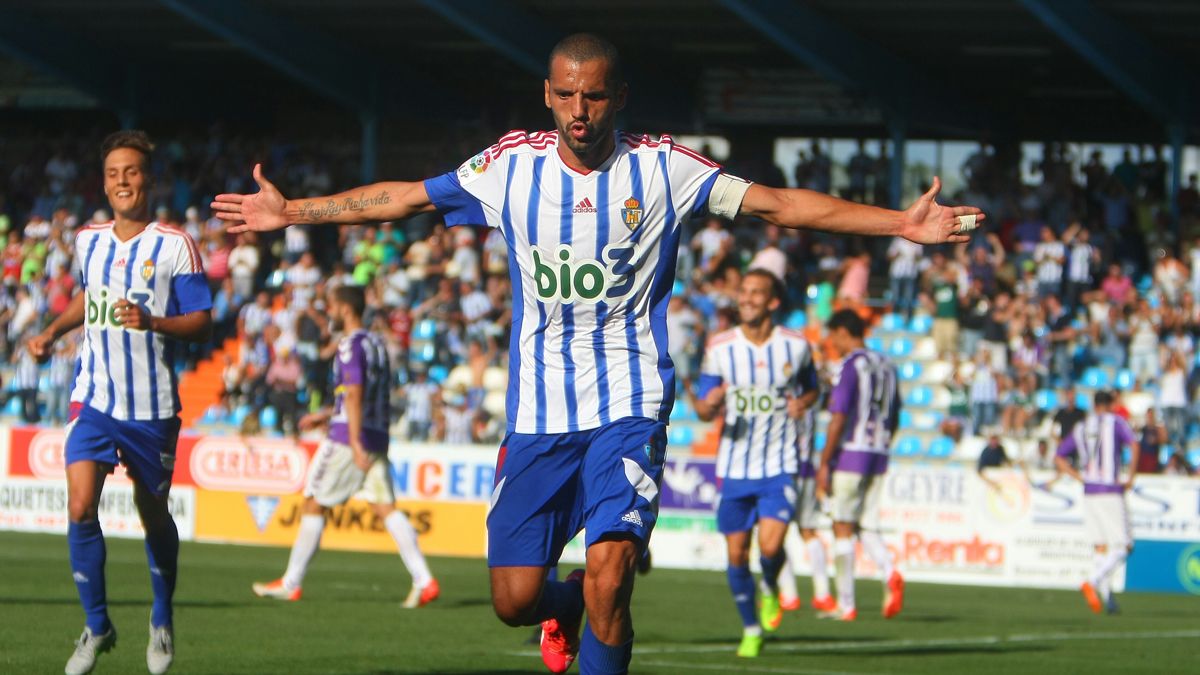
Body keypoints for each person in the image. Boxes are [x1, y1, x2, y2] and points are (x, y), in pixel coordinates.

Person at [212, 34, 981, 674]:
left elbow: (780, 204)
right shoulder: (509, 167)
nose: (582, 111)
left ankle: (595, 600)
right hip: (540, 413)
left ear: (620, 98)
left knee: (615, 575)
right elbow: (406, 196)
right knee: (515, 598)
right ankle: (565, 602)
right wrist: (295, 213)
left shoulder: (664, 168)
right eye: (568, 95)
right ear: (548, 95)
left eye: (597, 96)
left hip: (629, 401)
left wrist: (898, 225)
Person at [27, 130, 213, 675]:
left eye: (131, 172)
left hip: (151, 408)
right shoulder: (88, 239)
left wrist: (152, 320)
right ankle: (97, 625)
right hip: (94, 399)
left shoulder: (175, 244)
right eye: (113, 174)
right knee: (81, 506)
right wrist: (50, 332)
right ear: (104, 183)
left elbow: (202, 323)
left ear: (149, 180)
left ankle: (160, 617)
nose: (122, 182)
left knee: (152, 515)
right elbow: (89, 298)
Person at [252, 285, 439, 608]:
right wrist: (326, 413)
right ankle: (424, 580)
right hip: (377, 433)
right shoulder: (377, 344)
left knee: (313, 502)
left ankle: (291, 582)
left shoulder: (350, 345)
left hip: (348, 438)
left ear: (346, 309)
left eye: (333, 307)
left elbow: (353, 394)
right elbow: (363, 393)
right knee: (385, 507)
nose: (330, 313)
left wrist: (352, 440)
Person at [693, 269, 819, 658]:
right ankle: (750, 628)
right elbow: (700, 406)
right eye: (743, 292)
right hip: (734, 468)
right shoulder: (720, 346)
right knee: (735, 555)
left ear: (773, 302)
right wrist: (709, 404)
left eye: (755, 293)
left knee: (770, 547)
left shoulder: (795, 346)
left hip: (779, 463)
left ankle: (770, 584)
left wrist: (805, 401)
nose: (745, 299)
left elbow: (812, 387)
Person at [815, 309, 904, 622]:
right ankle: (890, 571)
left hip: (851, 452)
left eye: (832, 335)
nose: (831, 342)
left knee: (841, 526)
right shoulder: (888, 365)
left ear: (843, 331)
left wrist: (825, 462)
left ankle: (847, 604)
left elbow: (838, 416)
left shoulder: (850, 364)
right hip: (878, 452)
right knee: (864, 523)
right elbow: (895, 416)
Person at [1054, 391, 1139, 615]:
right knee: (1124, 546)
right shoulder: (1116, 422)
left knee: (1101, 546)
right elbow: (1134, 444)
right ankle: (1092, 581)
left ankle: (1108, 601)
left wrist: (1079, 476)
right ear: (1110, 404)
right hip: (1110, 490)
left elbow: (1059, 456)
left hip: (1089, 491)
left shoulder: (1082, 426)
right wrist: (1130, 477)